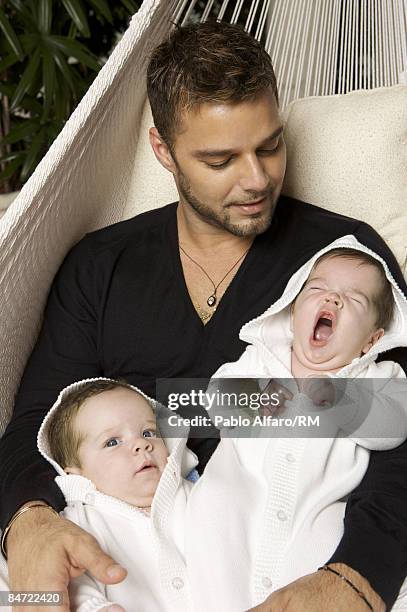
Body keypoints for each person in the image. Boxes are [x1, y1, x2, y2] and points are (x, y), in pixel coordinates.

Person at [0, 20, 406, 612]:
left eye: (270, 146)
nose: (257, 178)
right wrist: (29, 520)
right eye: (221, 159)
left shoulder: (342, 264)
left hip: (297, 562)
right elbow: (33, 422)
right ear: (163, 150)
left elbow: (398, 426)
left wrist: (355, 577)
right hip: (125, 562)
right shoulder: (100, 267)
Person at [186, 238, 407, 611]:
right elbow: (217, 399)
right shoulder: (261, 357)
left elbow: (393, 427)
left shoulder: (377, 375)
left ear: (372, 340)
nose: (332, 299)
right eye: (317, 289)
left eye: (354, 300)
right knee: (212, 540)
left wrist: (342, 401)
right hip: (237, 497)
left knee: (324, 549)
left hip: (318, 509)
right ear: (291, 312)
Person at [38, 378, 197, 612]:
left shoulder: (196, 496)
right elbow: (68, 581)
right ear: (76, 474)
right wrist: (94, 606)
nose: (141, 444)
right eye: (112, 441)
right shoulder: (78, 524)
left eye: (148, 432)